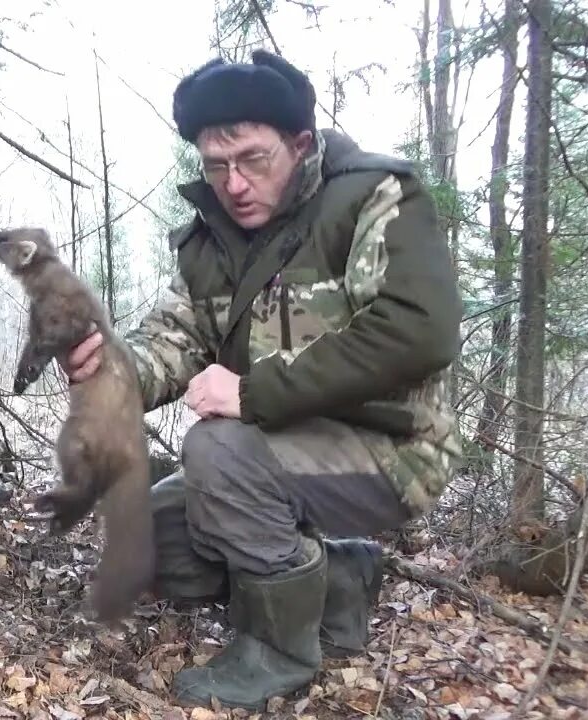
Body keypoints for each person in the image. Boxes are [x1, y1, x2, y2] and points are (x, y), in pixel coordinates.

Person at [59, 50, 463, 710]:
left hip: (395, 449)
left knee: (213, 447)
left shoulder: (372, 195)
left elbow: (421, 330)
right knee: (149, 532)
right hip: (277, 446)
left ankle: (280, 649)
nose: (234, 184)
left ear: (300, 145)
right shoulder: (209, 239)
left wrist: (252, 394)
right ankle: (337, 580)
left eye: (253, 160)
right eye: (216, 166)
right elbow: (173, 342)